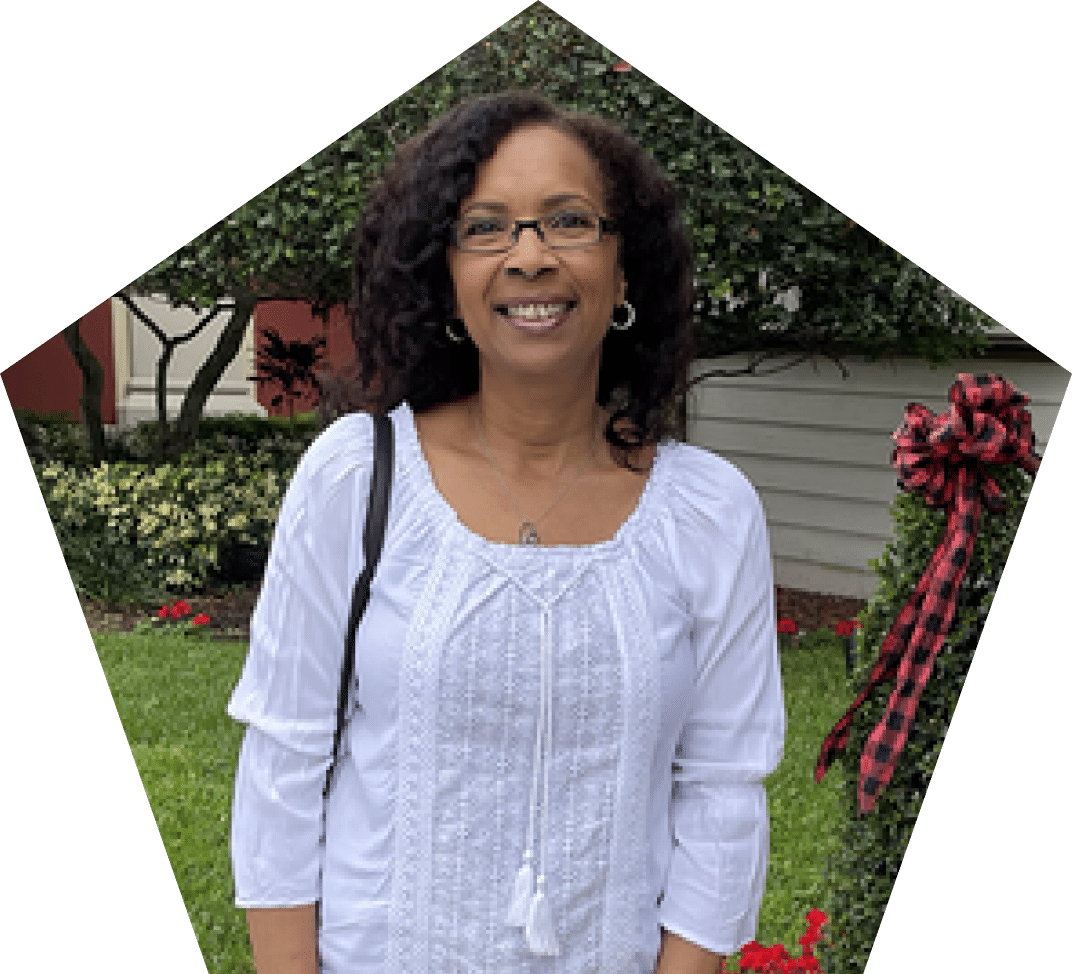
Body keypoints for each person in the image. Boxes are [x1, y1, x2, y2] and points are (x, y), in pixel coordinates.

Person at [228, 89, 786, 974]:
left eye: (568, 220)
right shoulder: (355, 478)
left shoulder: (708, 512)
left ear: (625, 266)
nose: (529, 257)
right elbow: (283, 766)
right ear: (445, 276)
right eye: (485, 227)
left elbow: (721, 792)